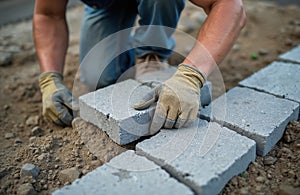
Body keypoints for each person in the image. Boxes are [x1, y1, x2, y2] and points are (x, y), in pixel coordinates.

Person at [34, 0, 246, 133]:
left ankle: (150, 54)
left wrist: (191, 76)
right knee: (97, 77)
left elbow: (230, 5)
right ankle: (130, 52)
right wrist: (50, 80)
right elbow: (48, 14)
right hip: (106, 5)